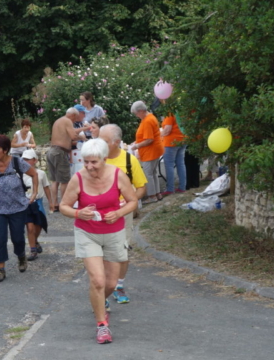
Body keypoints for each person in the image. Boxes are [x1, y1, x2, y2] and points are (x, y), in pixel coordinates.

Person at [59, 139, 137, 344]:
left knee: (111, 282)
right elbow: (63, 206)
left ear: (104, 159)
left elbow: (133, 201)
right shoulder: (78, 179)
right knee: (98, 280)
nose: (88, 166)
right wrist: (78, 212)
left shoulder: (119, 175)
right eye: (85, 161)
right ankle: (102, 325)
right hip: (88, 233)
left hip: (114, 232)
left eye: (93, 162)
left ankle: (99, 302)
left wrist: (118, 213)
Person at [99, 125, 147, 305]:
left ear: (117, 142)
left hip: (123, 213)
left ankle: (118, 286)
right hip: (100, 213)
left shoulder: (129, 160)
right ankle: (102, 291)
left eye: (104, 141)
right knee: (101, 252)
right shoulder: (97, 159)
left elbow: (142, 187)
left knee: (123, 251)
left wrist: (129, 202)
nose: (100, 144)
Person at [0, 135, 38, 283]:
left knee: (17, 238)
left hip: (18, 208)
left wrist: (34, 193)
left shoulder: (17, 163)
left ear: (5, 150)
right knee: (0, 239)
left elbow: (34, 174)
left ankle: (21, 256)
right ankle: (0, 268)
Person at [46, 108, 82, 212]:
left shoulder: (59, 120)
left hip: (52, 151)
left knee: (55, 180)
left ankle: (54, 204)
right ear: (73, 116)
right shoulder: (68, 121)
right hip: (60, 152)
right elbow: (73, 136)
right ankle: (64, 204)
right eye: (76, 118)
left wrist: (83, 128)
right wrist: (83, 138)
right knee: (64, 180)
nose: (75, 121)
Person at [129, 101, 164, 203]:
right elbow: (144, 136)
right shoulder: (149, 117)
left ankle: (152, 196)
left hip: (150, 151)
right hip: (154, 150)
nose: (136, 116)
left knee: (148, 174)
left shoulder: (148, 120)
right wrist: (136, 142)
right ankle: (157, 194)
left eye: (136, 113)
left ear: (141, 111)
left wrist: (136, 146)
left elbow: (149, 139)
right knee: (153, 173)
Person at [21, 149, 52, 261]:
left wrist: (51, 202)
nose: (25, 161)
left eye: (27, 159)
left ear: (34, 160)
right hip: (26, 203)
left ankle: (35, 240)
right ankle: (33, 249)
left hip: (38, 203)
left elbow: (46, 187)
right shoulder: (20, 174)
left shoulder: (41, 174)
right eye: (23, 159)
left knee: (39, 225)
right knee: (29, 227)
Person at [161, 113, 187, 194]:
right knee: (181, 164)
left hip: (171, 142)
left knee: (169, 165)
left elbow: (168, 129)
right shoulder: (180, 109)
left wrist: (159, 136)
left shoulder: (170, 112)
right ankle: (182, 186)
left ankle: (170, 189)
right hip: (183, 139)